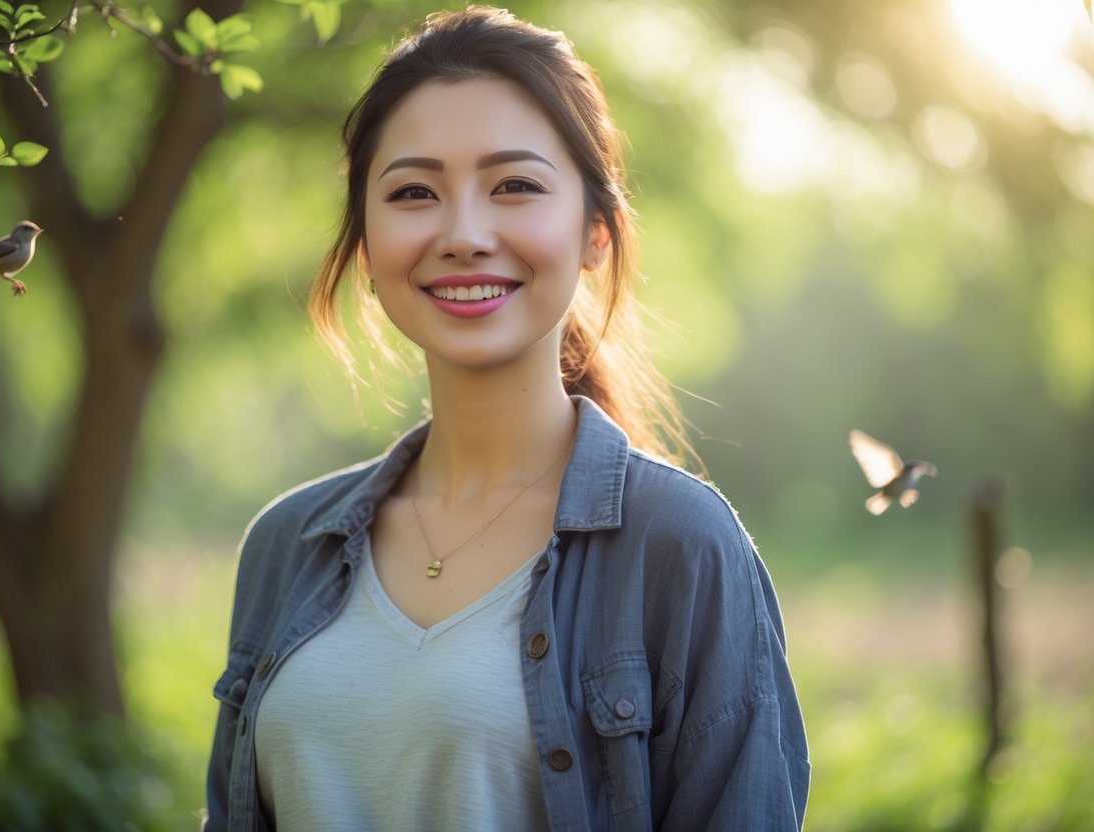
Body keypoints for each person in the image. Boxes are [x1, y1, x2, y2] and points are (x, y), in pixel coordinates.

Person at [204, 6, 810, 831]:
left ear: (595, 231)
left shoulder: (679, 546)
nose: (463, 234)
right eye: (413, 193)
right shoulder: (286, 546)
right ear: (367, 246)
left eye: (515, 186)